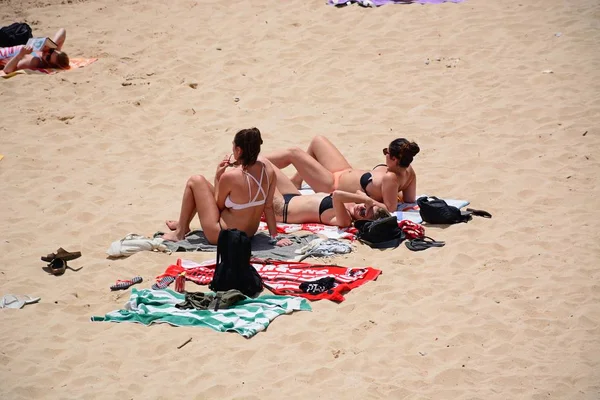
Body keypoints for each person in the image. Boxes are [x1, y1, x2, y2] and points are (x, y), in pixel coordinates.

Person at [161, 128, 290, 246]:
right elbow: (268, 207)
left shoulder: (231, 176)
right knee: (202, 187)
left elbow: (218, 206)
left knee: (195, 181)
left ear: (239, 150)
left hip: (222, 235)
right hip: (248, 235)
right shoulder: (268, 170)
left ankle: (180, 233)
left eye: (234, 147)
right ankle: (183, 223)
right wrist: (274, 237)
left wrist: (218, 177)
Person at [265, 135, 420, 213]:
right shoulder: (409, 171)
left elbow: (390, 209)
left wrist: (367, 199)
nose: (384, 154)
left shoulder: (390, 178)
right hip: (343, 170)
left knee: (293, 153)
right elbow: (409, 200)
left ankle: (251, 162)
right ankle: (296, 181)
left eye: (386, 152)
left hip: (331, 184)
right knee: (317, 141)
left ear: (394, 158)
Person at [271, 165, 390, 227]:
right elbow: (359, 194)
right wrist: (369, 203)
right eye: (365, 205)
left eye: (363, 213)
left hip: (282, 209)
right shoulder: (353, 204)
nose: (361, 207)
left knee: (263, 167)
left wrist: (365, 199)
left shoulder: (345, 220)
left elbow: (337, 195)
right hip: (293, 196)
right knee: (266, 164)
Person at [0, 28, 69, 73]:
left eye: (48, 58)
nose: (46, 54)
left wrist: (20, 54)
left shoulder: (34, 61)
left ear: (49, 64)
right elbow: (62, 31)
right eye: (51, 51)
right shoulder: (53, 55)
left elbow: (6, 70)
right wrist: (51, 45)